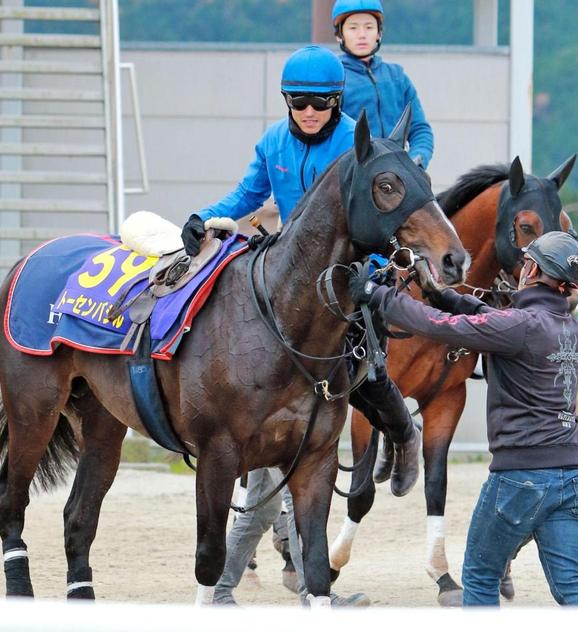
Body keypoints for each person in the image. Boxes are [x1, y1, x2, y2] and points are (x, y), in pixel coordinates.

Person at [180, 44, 420, 607]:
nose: (308, 112)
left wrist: (378, 269)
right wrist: (201, 215)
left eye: (319, 103)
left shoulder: (354, 148)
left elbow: (384, 217)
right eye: (297, 103)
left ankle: (402, 433)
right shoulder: (272, 143)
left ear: (337, 103)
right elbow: (247, 197)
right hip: (287, 266)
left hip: (351, 270)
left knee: (363, 355)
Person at [350, 230, 578, 606]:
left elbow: (437, 326)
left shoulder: (522, 326)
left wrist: (376, 294)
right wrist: (443, 295)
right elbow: (494, 318)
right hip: (571, 479)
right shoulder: (571, 331)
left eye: (527, 262)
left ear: (532, 269)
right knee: (573, 587)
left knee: (479, 580)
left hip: (519, 478)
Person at [332, 0, 434, 169]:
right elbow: (331, 138)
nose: (362, 34)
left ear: (379, 33)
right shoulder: (335, 78)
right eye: (353, 28)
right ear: (339, 34)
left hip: (398, 172)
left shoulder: (398, 77)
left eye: (369, 27)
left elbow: (420, 129)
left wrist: (416, 159)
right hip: (356, 174)